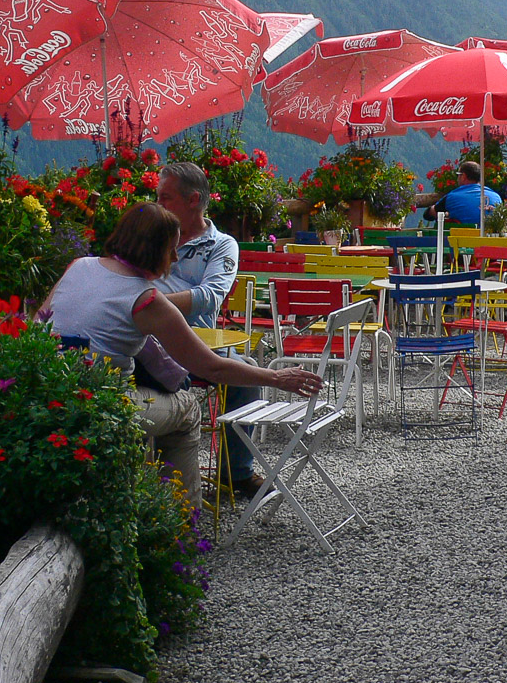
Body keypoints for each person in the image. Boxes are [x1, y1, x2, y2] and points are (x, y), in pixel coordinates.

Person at [49, 202, 323, 500]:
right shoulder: (147, 299)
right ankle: (179, 519)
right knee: (187, 408)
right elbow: (211, 367)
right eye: (172, 249)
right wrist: (277, 377)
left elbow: (41, 321)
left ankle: (146, 492)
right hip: (106, 404)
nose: (176, 257)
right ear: (156, 250)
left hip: (53, 392)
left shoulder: (78, 266)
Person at [152, 162, 264, 497]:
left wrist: (151, 303)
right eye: (157, 197)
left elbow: (211, 296)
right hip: (150, 342)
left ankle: (235, 472)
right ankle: (162, 475)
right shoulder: (152, 233)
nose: (158, 205)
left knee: (247, 372)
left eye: (166, 198)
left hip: (200, 344)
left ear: (193, 200)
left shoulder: (221, 245)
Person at [423, 160, 501, 227]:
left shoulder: (453, 196)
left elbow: (429, 214)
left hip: (463, 241)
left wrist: (446, 214)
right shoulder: (496, 197)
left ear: (463, 176)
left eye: (458, 175)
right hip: (492, 241)